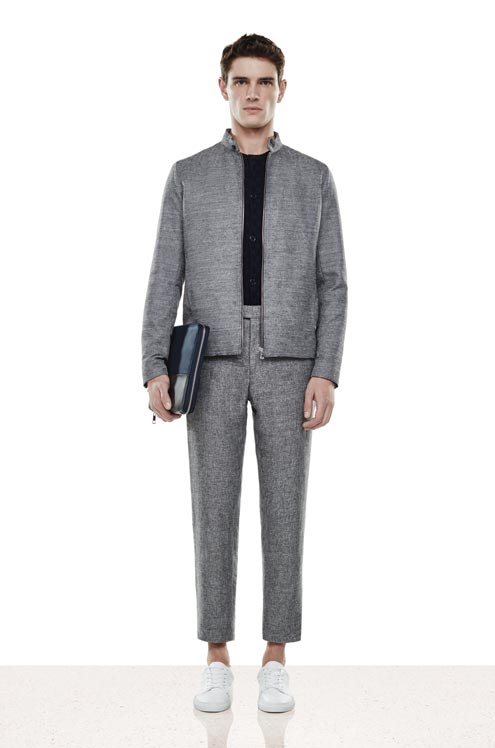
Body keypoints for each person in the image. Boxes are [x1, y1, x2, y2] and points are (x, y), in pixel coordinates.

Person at [141, 33, 348, 713]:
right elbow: (164, 276)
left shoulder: (313, 177)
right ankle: (216, 657)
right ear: (223, 88)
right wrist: (154, 365)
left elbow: (333, 282)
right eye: (241, 81)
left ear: (281, 90)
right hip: (213, 357)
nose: (252, 93)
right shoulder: (188, 175)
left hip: (290, 360)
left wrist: (326, 370)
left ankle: (276, 658)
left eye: (264, 82)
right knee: (213, 510)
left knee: (285, 510)